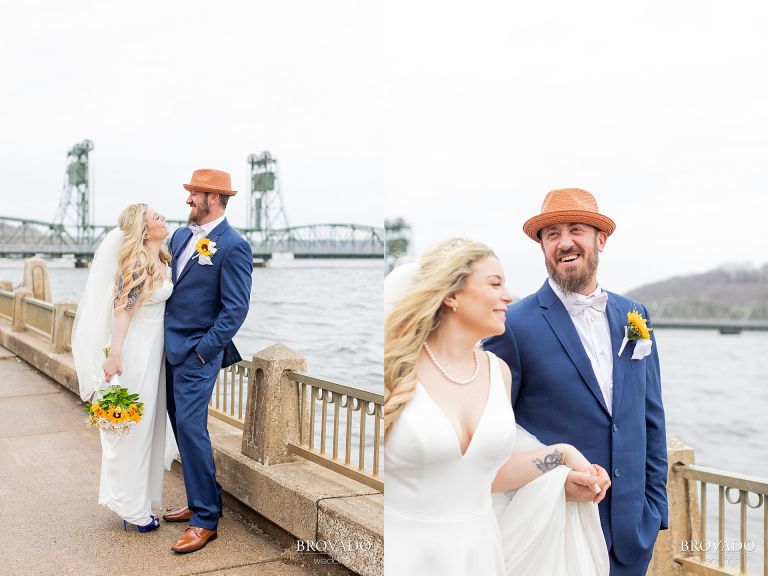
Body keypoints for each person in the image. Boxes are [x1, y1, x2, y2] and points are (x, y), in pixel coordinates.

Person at [384, 238, 610, 576]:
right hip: (405, 555)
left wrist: (561, 455)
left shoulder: (497, 372)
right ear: (452, 295)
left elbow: (491, 475)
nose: (508, 295)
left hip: (482, 555)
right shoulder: (394, 370)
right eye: (495, 284)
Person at [485, 188, 668, 575]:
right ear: (542, 247)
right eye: (552, 234)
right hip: (558, 529)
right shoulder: (512, 325)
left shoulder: (635, 315)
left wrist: (654, 510)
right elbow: (493, 438)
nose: (564, 242)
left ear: (601, 240)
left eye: (576, 230)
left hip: (634, 534)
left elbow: (650, 417)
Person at [162, 168, 253, 554]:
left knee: (191, 428)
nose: (187, 201)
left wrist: (203, 350)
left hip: (198, 354)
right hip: (166, 350)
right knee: (180, 428)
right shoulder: (182, 236)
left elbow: (234, 310)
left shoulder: (233, 246)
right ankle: (206, 496)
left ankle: (205, 520)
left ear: (212, 199)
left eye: (193, 195)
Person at [72, 203, 173, 533]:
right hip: (136, 353)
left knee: (149, 427)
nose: (163, 218)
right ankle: (132, 508)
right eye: (156, 216)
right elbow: (122, 312)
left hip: (155, 353)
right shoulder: (135, 265)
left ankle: (139, 501)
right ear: (144, 230)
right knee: (134, 429)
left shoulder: (161, 260)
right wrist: (114, 356)